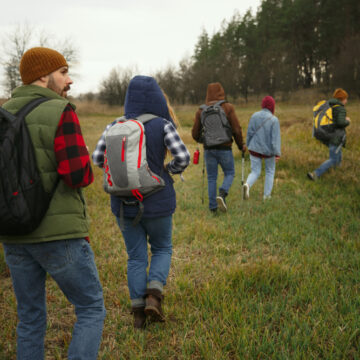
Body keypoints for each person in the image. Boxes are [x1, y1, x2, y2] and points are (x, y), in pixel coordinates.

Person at [0, 47, 106, 360]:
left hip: (13, 234)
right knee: (90, 308)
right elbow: (78, 175)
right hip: (58, 235)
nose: (69, 79)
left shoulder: (4, 115)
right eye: (63, 72)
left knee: (30, 318)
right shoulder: (61, 111)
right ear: (43, 76)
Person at [92, 75, 190, 329]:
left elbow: (98, 158)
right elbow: (183, 157)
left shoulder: (115, 124)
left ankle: (137, 313)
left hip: (123, 205)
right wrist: (167, 169)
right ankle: (154, 296)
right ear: (158, 98)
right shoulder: (163, 125)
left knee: (135, 258)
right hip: (158, 201)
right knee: (162, 248)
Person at [191, 82, 245, 213]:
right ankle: (222, 192)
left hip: (209, 149)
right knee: (230, 172)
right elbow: (236, 130)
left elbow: (194, 134)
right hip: (225, 148)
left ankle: (213, 207)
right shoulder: (228, 107)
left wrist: (204, 140)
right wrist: (241, 145)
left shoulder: (201, 110)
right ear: (222, 92)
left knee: (211, 177)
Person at [242, 96, 281, 200]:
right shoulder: (274, 120)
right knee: (270, 171)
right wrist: (277, 154)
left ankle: (247, 185)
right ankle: (266, 196)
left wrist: (247, 144)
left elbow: (249, 133)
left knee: (255, 171)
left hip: (254, 148)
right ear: (272, 106)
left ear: (262, 105)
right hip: (268, 151)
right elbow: (275, 140)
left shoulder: (254, 116)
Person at [307, 88, 351, 180]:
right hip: (335, 137)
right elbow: (340, 123)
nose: (346, 100)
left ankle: (336, 176)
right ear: (342, 99)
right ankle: (315, 174)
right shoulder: (340, 108)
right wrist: (347, 121)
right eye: (346, 98)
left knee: (338, 158)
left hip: (329, 135)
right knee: (334, 159)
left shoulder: (331, 106)